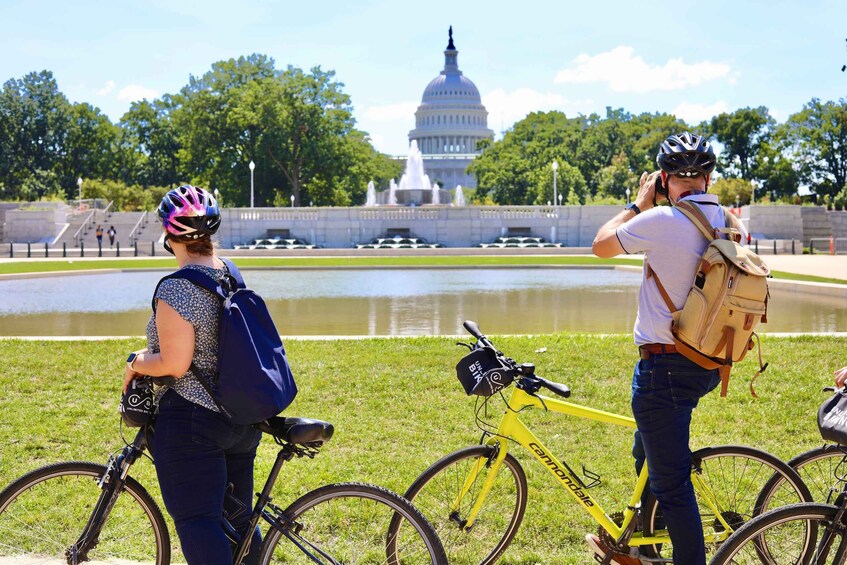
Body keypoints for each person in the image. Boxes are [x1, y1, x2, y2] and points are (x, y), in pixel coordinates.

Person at [588, 132, 738, 565]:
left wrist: (639, 202)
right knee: (646, 449)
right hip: (706, 360)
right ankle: (647, 545)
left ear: (665, 180)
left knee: (673, 488)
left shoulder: (659, 220)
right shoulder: (726, 220)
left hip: (665, 368)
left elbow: (600, 245)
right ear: (708, 178)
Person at [123, 185, 261, 564]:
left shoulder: (177, 289)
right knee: (239, 522)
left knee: (198, 520)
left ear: (169, 237)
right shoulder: (231, 274)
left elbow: (173, 364)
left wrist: (135, 361)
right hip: (239, 416)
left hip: (192, 421)